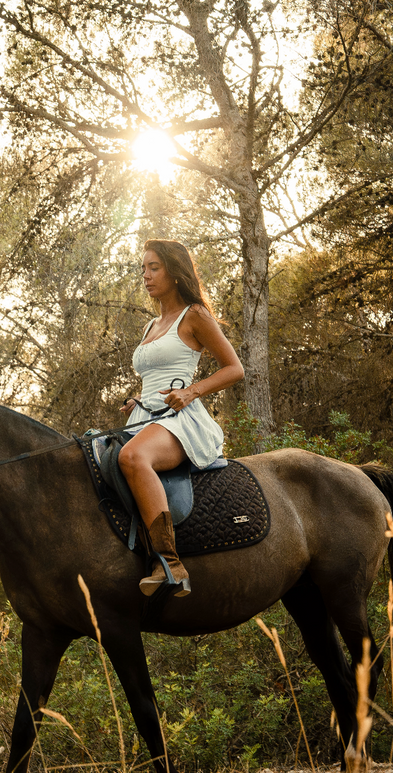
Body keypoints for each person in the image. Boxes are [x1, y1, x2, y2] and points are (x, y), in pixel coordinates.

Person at [118, 239, 244, 597]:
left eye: (154, 267)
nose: (146, 275)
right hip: (144, 417)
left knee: (133, 456)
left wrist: (191, 392)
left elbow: (234, 369)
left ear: (174, 272)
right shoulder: (152, 324)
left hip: (180, 420)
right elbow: (156, 376)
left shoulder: (195, 315)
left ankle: (170, 563)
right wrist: (138, 399)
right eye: (143, 268)